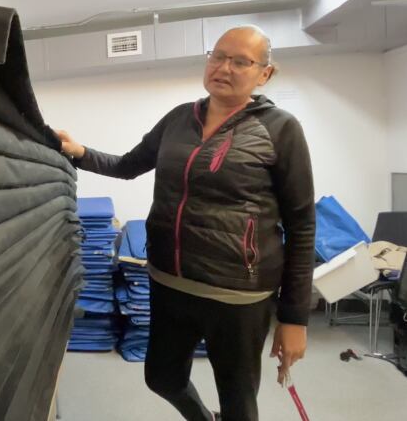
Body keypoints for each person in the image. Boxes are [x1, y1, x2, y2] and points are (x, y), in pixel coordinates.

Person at [57, 25, 315, 421]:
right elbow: (129, 165)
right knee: (161, 377)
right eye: (217, 56)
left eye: (240, 61)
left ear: (264, 73)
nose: (223, 67)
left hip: (238, 296)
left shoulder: (280, 129)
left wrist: (294, 318)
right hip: (170, 282)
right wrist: (80, 152)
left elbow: (301, 225)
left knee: (238, 401)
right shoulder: (180, 118)